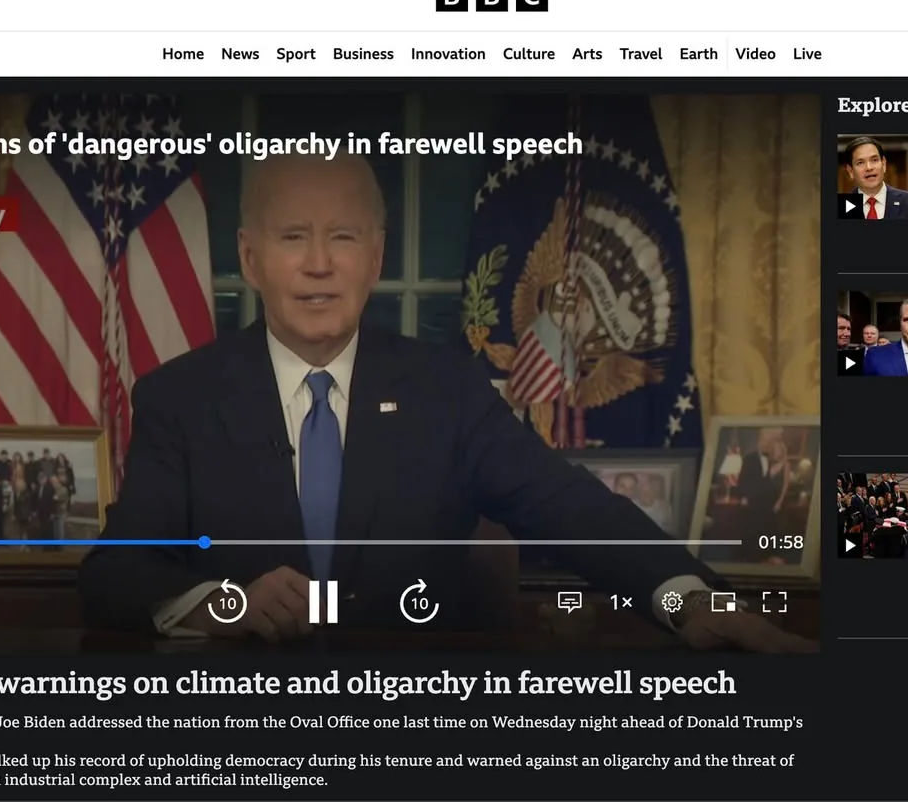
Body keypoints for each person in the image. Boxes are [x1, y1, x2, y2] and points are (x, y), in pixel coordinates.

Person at [79, 154, 813, 653]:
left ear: (376, 256)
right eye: (293, 237)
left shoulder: (446, 390)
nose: (318, 264)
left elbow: (570, 508)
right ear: (250, 257)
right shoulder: (181, 398)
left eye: (343, 237)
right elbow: (114, 574)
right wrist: (222, 603)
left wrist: (693, 600)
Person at [842, 137, 908, 220]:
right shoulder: (842, 207)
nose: (869, 168)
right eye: (860, 163)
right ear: (850, 171)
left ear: (884, 164)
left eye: (874, 160)